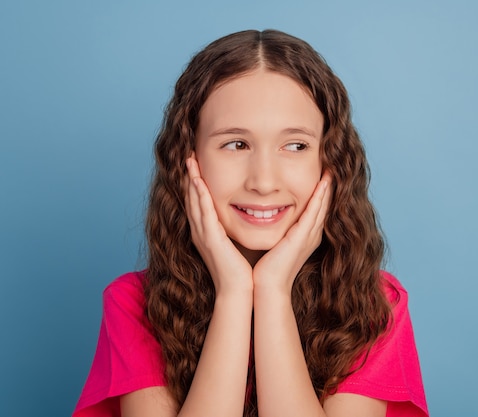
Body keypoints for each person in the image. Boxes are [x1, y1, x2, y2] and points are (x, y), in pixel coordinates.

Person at [73, 29, 428, 417]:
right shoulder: (134, 304)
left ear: (330, 162)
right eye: (236, 144)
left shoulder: (377, 305)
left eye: (295, 146)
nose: (263, 181)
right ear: (189, 159)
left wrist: (273, 291)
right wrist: (235, 292)